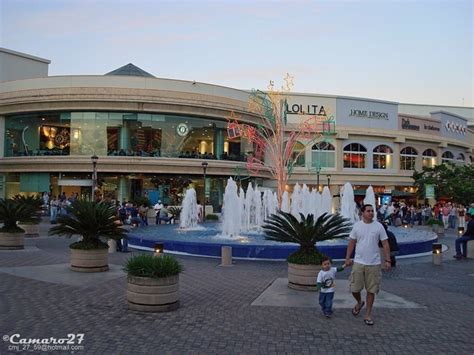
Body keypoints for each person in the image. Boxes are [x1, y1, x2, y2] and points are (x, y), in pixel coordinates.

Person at [345, 204, 391, 326]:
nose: (371, 213)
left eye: (372, 211)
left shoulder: (379, 226)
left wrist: (387, 260)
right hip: (359, 262)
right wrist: (348, 258)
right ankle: (359, 302)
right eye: (368, 211)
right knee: (354, 288)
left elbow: (385, 244)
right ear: (362, 213)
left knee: (371, 290)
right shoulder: (357, 226)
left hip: (374, 263)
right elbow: (351, 243)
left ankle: (368, 314)